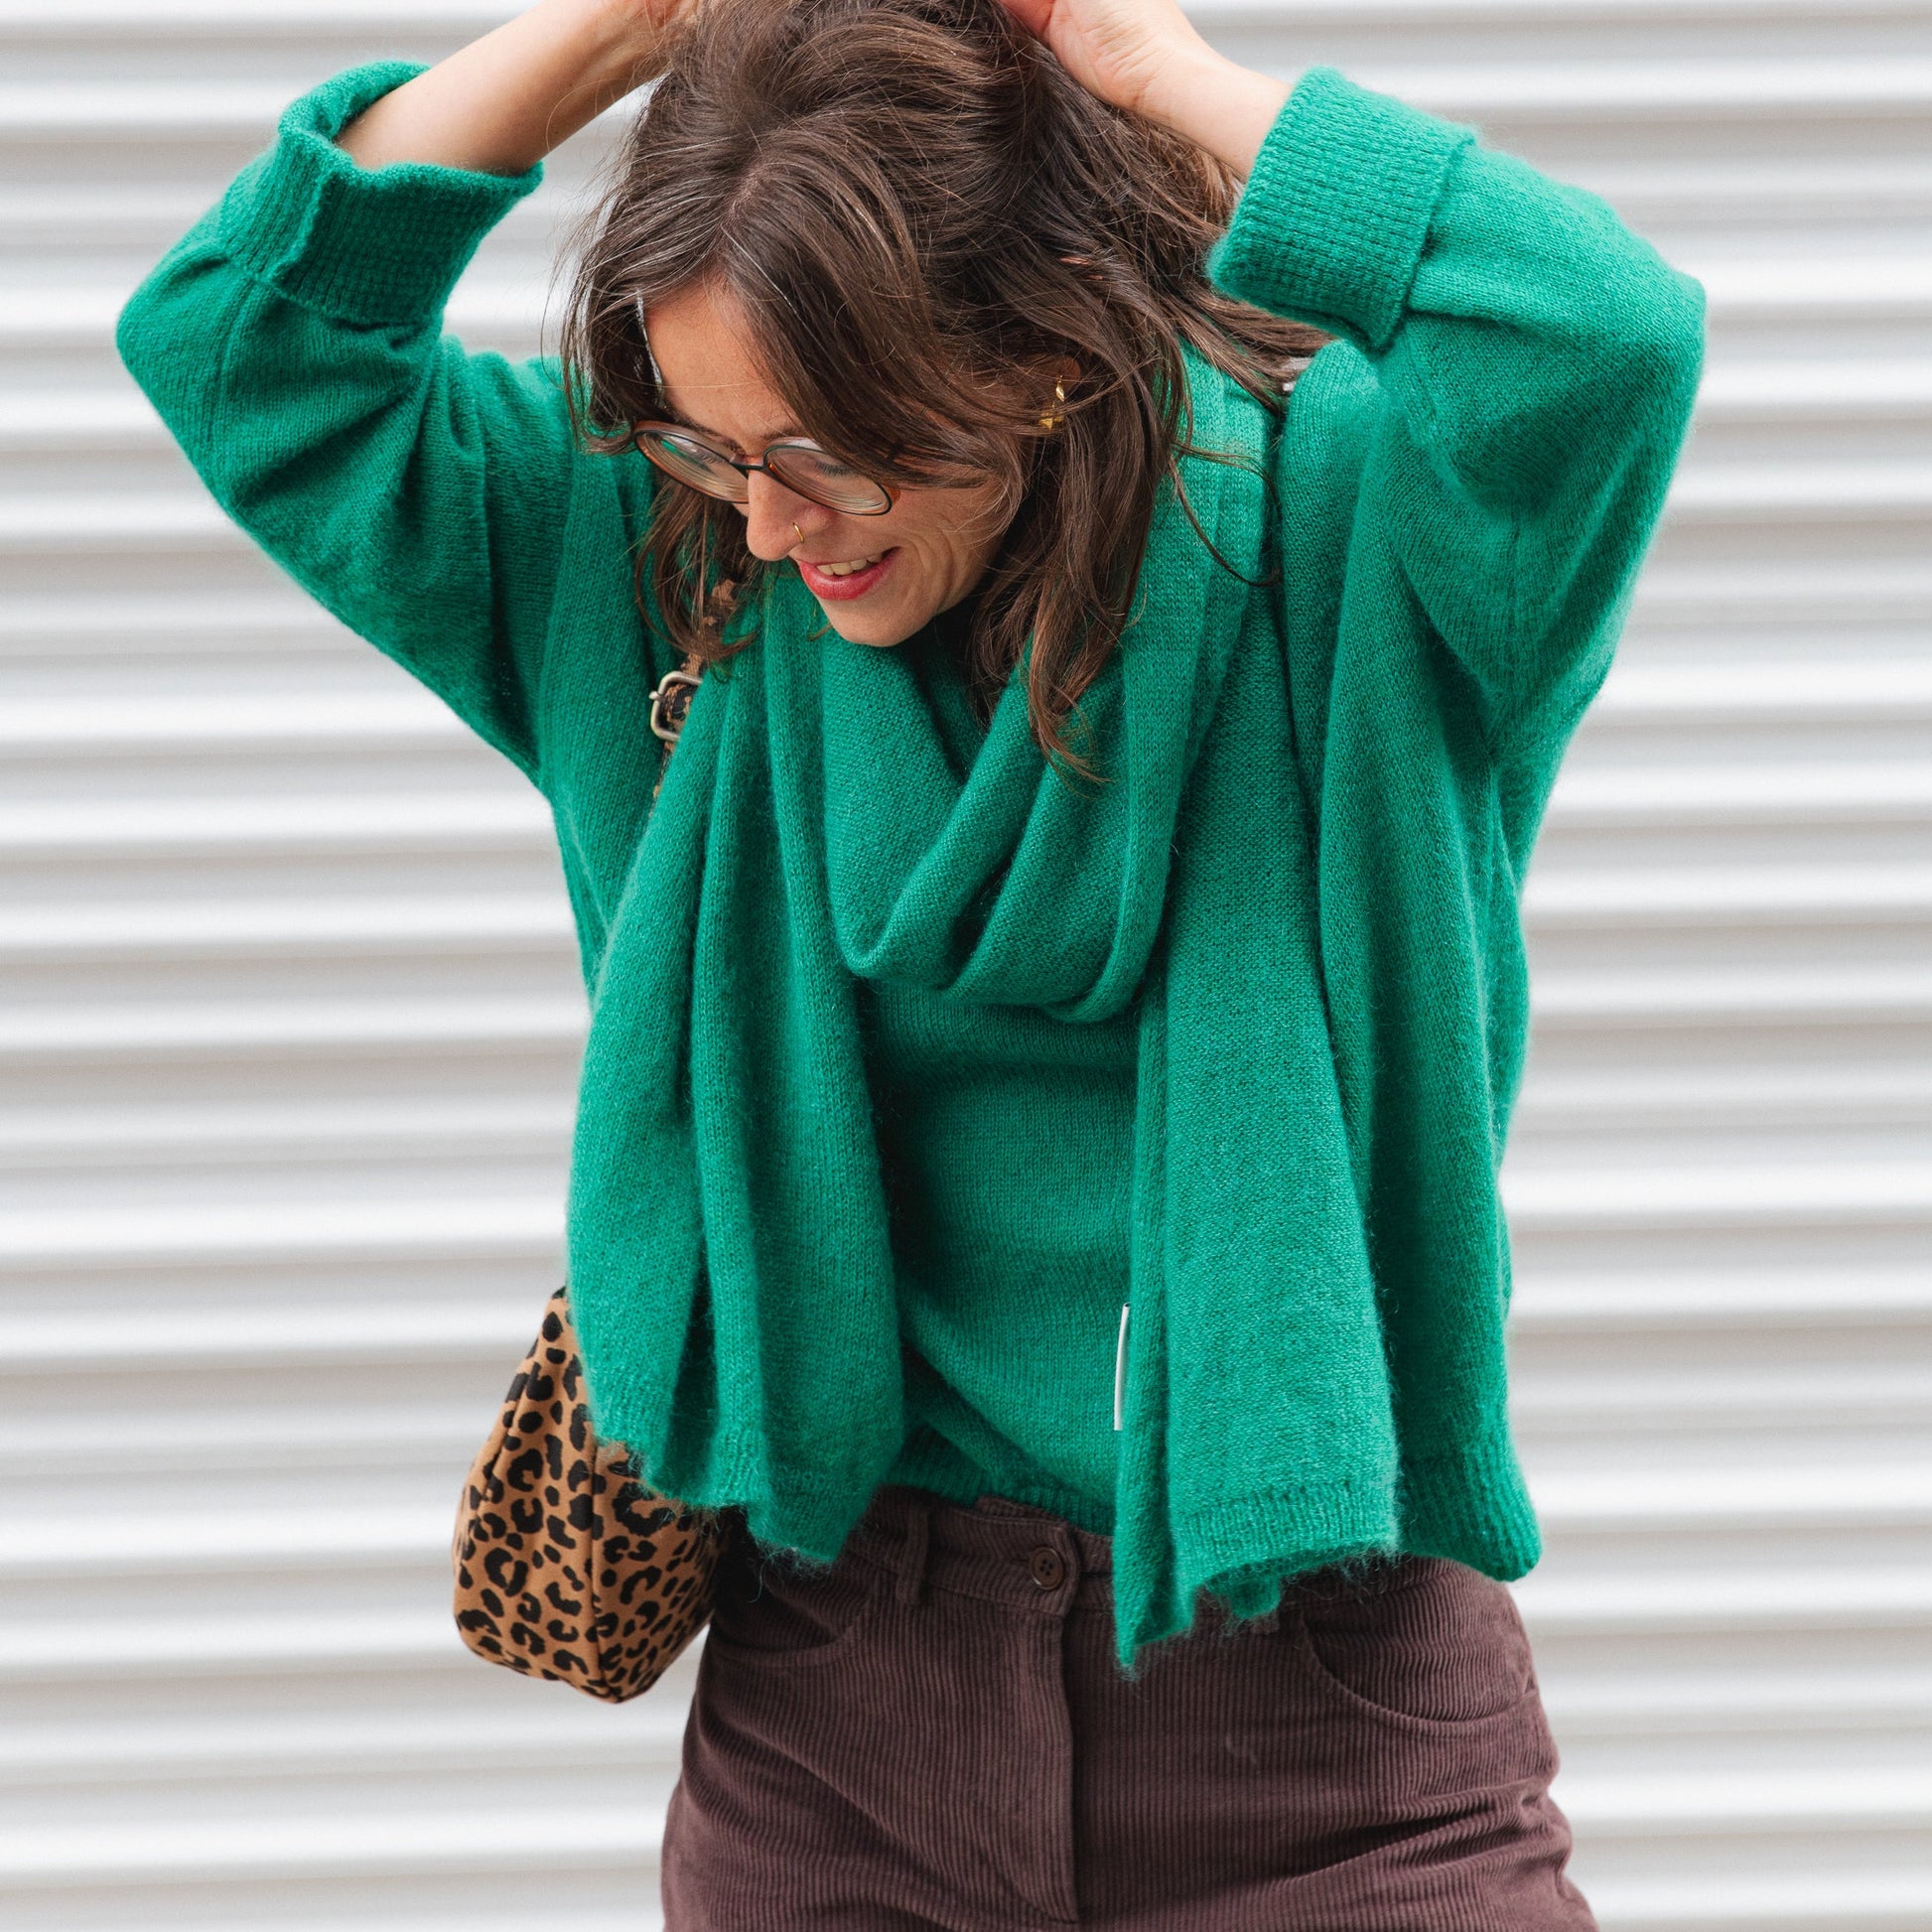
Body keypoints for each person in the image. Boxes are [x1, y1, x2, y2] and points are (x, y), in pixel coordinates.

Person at [118, 0, 1702, 1921]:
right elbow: (243, 339)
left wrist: (1159, 79)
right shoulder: (667, 561)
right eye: (709, 442)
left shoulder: (1365, 542)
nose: (771, 520)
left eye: (828, 449)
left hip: (1324, 1703)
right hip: (838, 1715)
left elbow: (1601, 334)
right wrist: (635, 25)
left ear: (1035, 362)